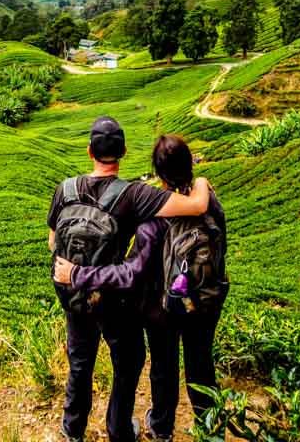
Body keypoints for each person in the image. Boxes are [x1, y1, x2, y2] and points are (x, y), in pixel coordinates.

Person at [48, 118, 213, 442]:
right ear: (123, 152)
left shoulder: (65, 189)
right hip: (112, 296)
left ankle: (72, 429)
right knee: (129, 359)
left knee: (80, 362)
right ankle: (120, 430)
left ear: (89, 151)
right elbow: (196, 205)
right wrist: (203, 179)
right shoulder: (134, 195)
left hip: (73, 290)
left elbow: (53, 242)